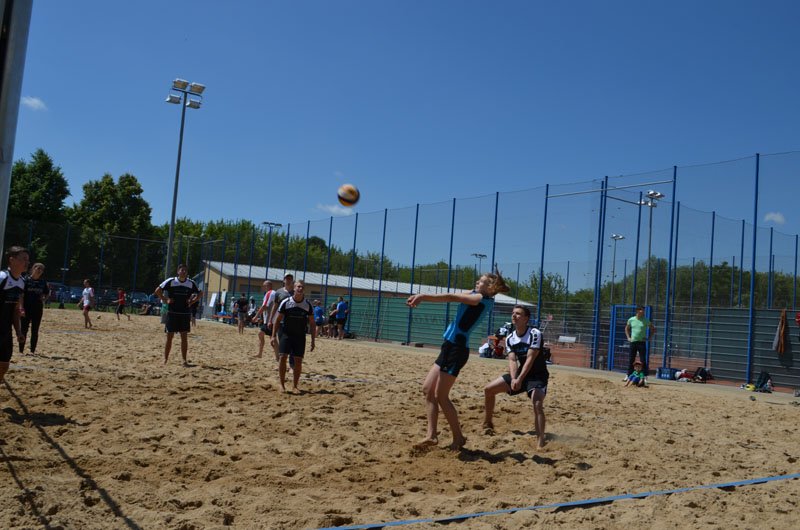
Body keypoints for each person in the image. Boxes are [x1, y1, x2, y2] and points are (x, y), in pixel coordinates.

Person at [406, 266, 510, 450]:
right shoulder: (475, 293)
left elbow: (451, 298)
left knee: (441, 396)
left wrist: (422, 296)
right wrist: (423, 296)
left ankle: (458, 438)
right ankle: (432, 435)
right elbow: (452, 294)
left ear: (490, 287)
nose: (477, 283)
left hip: (457, 350)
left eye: (482, 281)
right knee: (428, 390)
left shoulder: (481, 299)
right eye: (478, 281)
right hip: (448, 346)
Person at [483, 305, 549, 449]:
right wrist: (514, 379)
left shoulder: (535, 333)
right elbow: (512, 360)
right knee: (489, 389)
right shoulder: (510, 338)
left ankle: (540, 442)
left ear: (526, 318)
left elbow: (531, 358)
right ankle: (487, 423)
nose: (514, 316)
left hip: (537, 376)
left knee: (537, 403)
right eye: (513, 313)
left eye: (518, 314)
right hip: (520, 375)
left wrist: (519, 379)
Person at [271, 279, 315, 392]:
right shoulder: (286, 302)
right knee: (283, 357)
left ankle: (295, 386)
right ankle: (282, 385)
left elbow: (312, 323)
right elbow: (277, 320)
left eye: (302, 287)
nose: (300, 289)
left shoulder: (308, 305)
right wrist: (273, 336)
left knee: (298, 361)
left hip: (300, 336)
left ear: (304, 290)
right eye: (298, 287)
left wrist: (313, 340)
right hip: (286, 334)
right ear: (294, 288)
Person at [155, 264, 202, 366]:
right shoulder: (171, 281)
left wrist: (192, 301)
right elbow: (157, 290)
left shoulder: (191, 283)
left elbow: (200, 293)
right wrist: (165, 301)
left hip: (185, 313)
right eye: (182, 270)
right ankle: (165, 359)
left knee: (184, 337)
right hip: (172, 313)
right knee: (169, 337)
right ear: (178, 271)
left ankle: (184, 360)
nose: (183, 271)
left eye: (185, 270)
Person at [0, 247, 28, 383]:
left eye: (28, 260)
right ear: (12, 260)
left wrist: (18, 331)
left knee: (4, 364)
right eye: (23, 259)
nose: (27, 263)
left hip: (5, 329)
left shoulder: (21, 282)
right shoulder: (2, 277)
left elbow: (16, 309)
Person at [20, 262, 49, 355]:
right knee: (24, 329)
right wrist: (21, 308)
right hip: (26, 308)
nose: (39, 271)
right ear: (33, 269)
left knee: (35, 330)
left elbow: (47, 293)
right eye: (38, 268)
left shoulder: (42, 282)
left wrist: (44, 298)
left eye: (41, 269)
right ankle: (21, 350)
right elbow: (21, 296)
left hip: (37, 308)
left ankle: (32, 351)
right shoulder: (26, 280)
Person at [625, 305, 655, 383]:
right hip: (633, 342)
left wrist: (649, 338)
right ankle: (629, 375)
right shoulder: (631, 319)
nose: (643, 311)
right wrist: (628, 337)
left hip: (641, 342)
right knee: (631, 359)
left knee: (643, 360)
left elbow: (653, 329)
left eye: (643, 310)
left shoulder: (645, 320)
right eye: (641, 310)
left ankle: (644, 376)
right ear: (637, 311)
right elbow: (626, 328)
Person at [250, 280, 276, 359]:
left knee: (270, 338)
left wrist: (256, 316)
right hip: (271, 319)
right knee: (267, 336)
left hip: (269, 320)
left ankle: (278, 356)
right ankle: (260, 353)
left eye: (264, 286)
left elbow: (264, 306)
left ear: (267, 286)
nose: (263, 288)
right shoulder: (274, 293)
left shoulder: (269, 293)